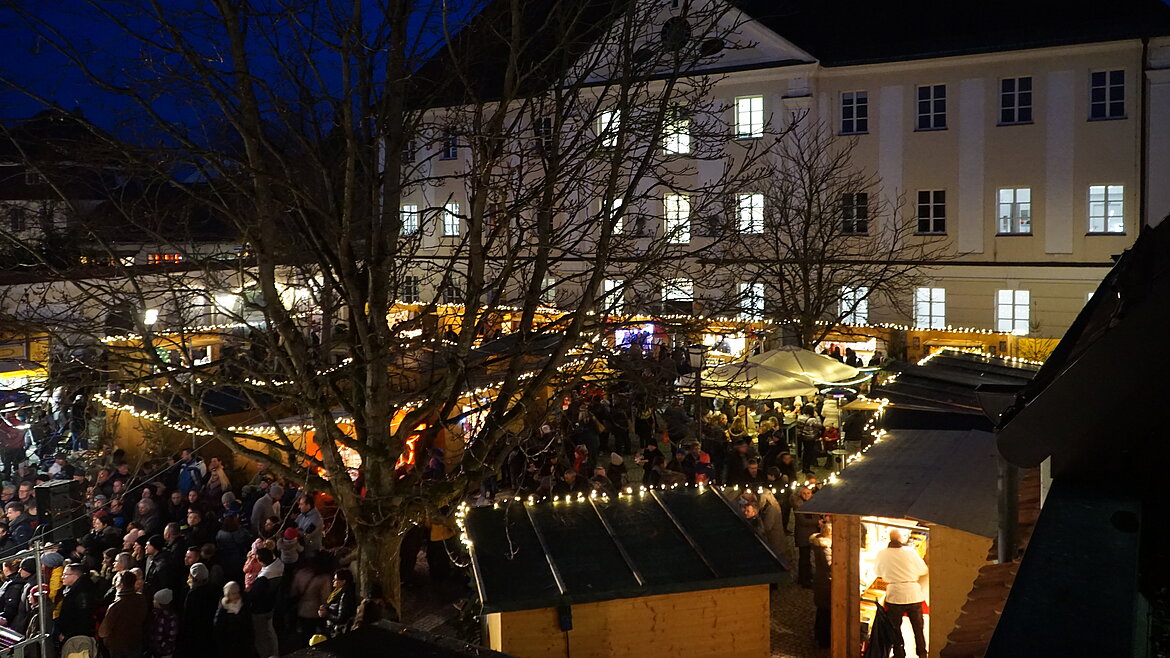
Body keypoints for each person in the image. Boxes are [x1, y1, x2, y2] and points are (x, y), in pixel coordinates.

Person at [873, 529, 929, 658]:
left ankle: (899, 653)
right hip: (913, 593)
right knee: (918, 628)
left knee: (895, 628)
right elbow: (923, 569)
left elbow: (877, 572)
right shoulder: (910, 552)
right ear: (900, 539)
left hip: (895, 595)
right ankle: (922, 653)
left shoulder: (882, 554)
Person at [100, 570, 149, 658]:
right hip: (136, 641)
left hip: (118, 646)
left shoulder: (116, 606)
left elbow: (104, 631)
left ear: (120, 584)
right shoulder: (141, 599)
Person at [178, 564, 218, 658]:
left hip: (194, 634)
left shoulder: (193, 594)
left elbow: (187, 617)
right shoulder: (213, 591)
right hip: (208, 633)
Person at [248, 548, 282, 658]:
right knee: (270, 633)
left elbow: (254, 595)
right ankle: (274, 652)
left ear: (261, 561)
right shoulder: (279, 566)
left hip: (260, 610)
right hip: (271, 606)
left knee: (261, 636)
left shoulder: (264, 578)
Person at [55, 563, 96, 645]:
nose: (62, 577)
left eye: (65, 574)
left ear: (75, 576)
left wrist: (67, 634)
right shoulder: (69, 589)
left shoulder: (82, 593)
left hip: (76, 638)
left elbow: (83, 617)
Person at [214, 582, 256, 658]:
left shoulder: (244, 605)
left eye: (237, 592)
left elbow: (249, 625)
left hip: (244, 644)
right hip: (229, 644)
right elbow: (219, 628)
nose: (236, 595)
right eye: (233, 593)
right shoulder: (223, 609)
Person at [811, 520, 833, 649]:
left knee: (822, 610)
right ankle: (824, 639)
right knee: (825, 611)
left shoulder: (821, 545)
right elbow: (830, 565)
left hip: (821, 581)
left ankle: (819, 635)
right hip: (825, 583)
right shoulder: (825, 547)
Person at [793, 487, 820, 588]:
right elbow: (803, 521)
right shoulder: (798, 506)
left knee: (806, 557)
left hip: (809, 534)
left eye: (808, 493)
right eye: (804, 493)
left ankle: (806, 576)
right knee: (804, 558)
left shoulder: (812, 504)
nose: (806, 495)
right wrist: (817, 522)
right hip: (803, 535)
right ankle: (804, 580)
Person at [319, 568, 356, 637]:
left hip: (337, 631)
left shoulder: (345, 595)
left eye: (336, 579)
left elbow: (341, 618)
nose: (333, 581)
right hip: (332, 628)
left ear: (343, 581)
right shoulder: (337, 592)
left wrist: (326, 614)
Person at [147, 588, 180, 658]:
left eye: (155, 600)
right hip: (155, 650)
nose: (153, 601)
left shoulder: (171, 618)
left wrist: (161, 647)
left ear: (161, 603)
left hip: (165, 652)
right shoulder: (155, 613)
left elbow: (171, 637)